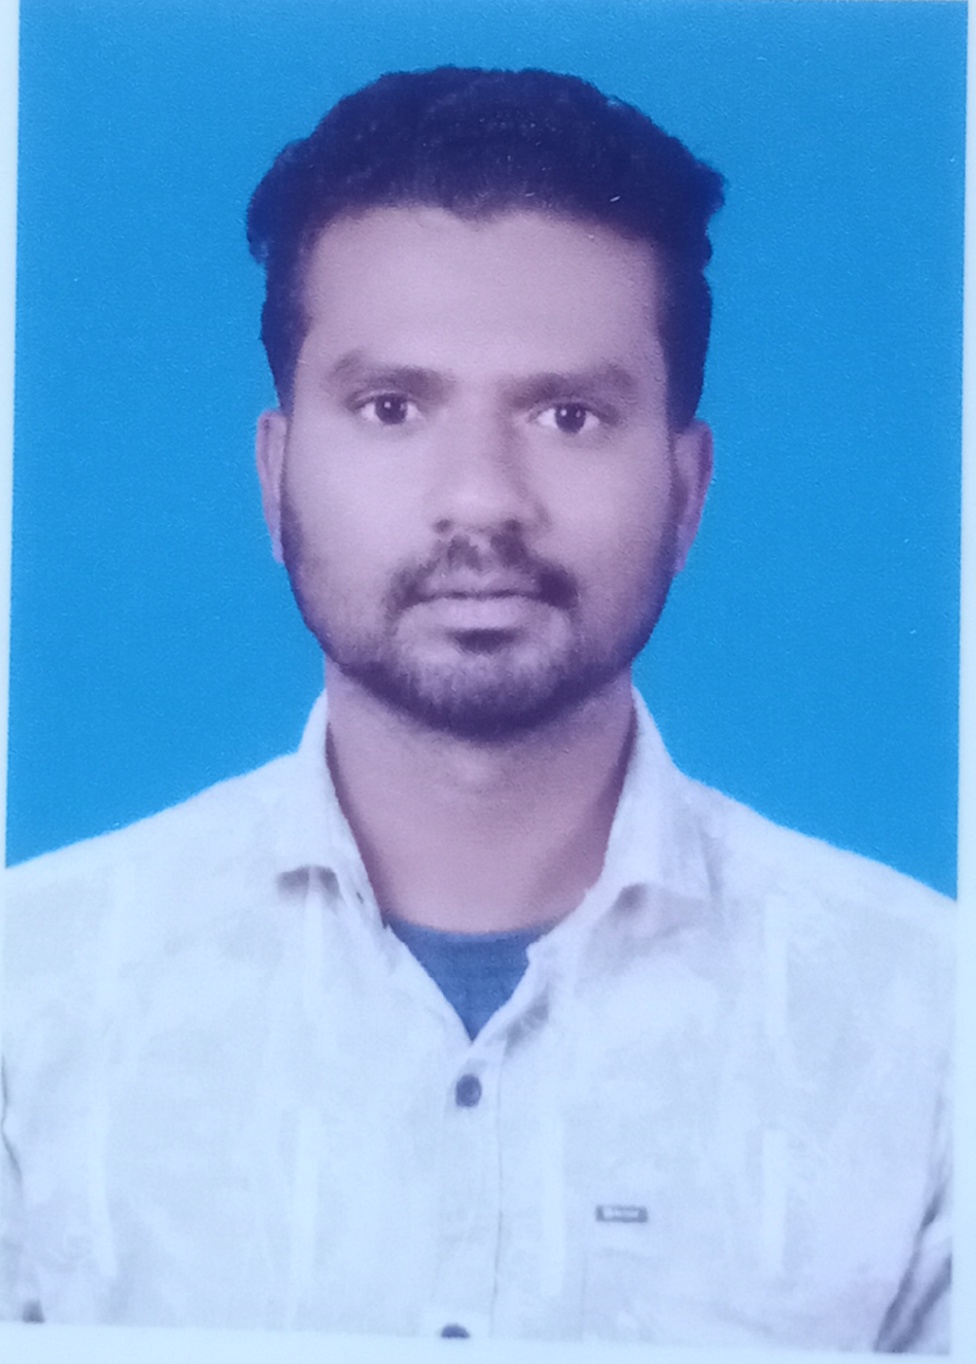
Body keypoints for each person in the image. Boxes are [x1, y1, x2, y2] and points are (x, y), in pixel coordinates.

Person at [1, 67, 952, 1349]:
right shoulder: (35, 996)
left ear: (686, 490)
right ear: (276, 476)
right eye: (392, 408)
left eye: (569, 414)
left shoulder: (925, 1028)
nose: (482, 499)